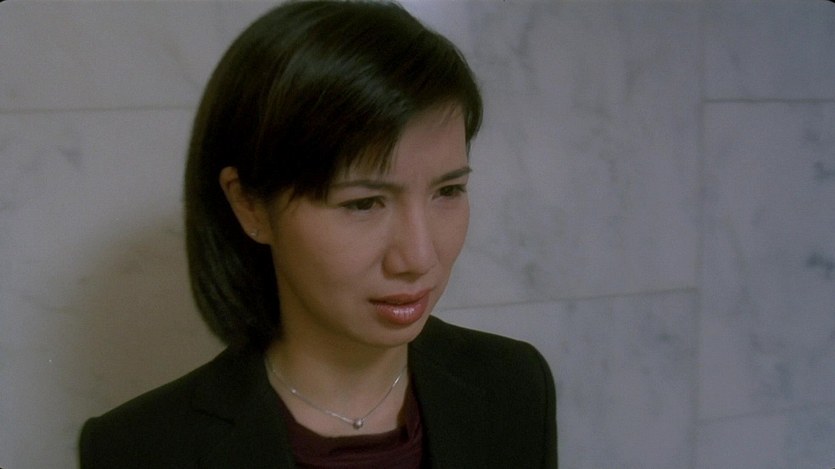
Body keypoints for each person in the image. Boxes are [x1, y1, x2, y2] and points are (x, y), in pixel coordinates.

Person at [78, 1, 557, 467]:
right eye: (363, 203)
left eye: (448, 191)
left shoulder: (513, 385)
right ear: (249, 204)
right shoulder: (139, 449)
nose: (418, 256)